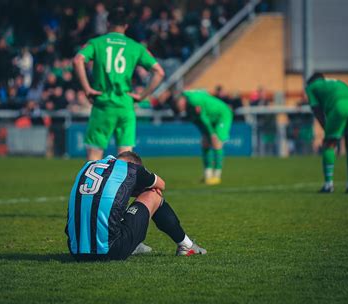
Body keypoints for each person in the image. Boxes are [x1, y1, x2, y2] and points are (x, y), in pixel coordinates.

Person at [65, 151, 207, 261]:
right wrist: (141, 190)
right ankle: (186, 245)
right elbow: (162, 185)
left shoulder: (88, 165)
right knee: (153, 193)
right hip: (111, 250)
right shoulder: (132, 168)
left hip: (75, 251)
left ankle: (131, 245)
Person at [74, 7, 165, 161]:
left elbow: (78, 60)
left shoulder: (97, 43)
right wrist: (142, 96)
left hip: (103, 103)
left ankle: (94, 185)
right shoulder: (135, 46)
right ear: (126, 26)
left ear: (107, 23)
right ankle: (125, 185)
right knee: (126, 156)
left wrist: (87, 89)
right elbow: (159, 72)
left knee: (95, 156)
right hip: (125, 104)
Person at [305, 73, 348, 193]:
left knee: (329, 144)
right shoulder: (336, 81)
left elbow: (316, 110)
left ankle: (328, 185)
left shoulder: (311, 87)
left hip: (340, 105)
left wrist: (327, 131)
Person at [176, 89, 233, 185]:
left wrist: (211, 133)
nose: (180, 108)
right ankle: (208, 175)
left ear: (181, 100)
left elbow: (203, 118)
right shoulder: (188, 107)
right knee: (205, 142)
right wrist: (205, 133)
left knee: (216, 141)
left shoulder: (193, 100)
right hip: (211, 118)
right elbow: (198, 122)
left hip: (221, 115)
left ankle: (216, 176)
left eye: (179, 105)